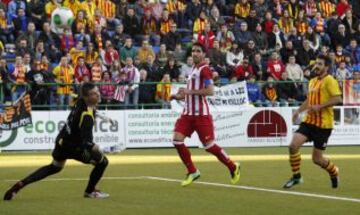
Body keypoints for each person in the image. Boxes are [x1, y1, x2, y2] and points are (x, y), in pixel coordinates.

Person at [4, 82, 110, 200]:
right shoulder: (87, 117)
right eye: (94, 94)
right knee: (102, 162)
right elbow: (88, 144)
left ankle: (20, 185)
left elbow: (90, 108)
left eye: (97, 92)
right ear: (86, 97)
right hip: (75, 148)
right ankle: (90, 192)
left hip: (62, 141)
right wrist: (105, 149)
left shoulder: (80, 102)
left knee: (54, 167)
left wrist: (99, 114)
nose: (98, 95)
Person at [171, 42, 240, 187]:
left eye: (198, 51)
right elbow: (192, 92)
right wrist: (180, 96)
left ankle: (233, 166)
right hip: (188, 114)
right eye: (193, 51)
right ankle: (192, 171)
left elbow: (210, 91)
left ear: (203, 54)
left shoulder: (205, 69)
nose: (195, 53)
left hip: (201, 115)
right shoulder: (193, 69)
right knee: (177, 140)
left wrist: (189, 92)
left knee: (209, 146)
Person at [283, 54, 342, 189]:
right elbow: (309, 100)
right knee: (293, 146)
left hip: (323, 125)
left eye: (320, 64)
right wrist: (298, 111)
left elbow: (338, 99)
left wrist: (320, 106)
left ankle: (334, 171)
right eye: (316, 63)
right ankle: (297, 177)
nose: (317, 66)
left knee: (317, 159)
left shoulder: (330, 80)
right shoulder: (312, 81)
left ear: (326, 67)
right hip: (309, 122)